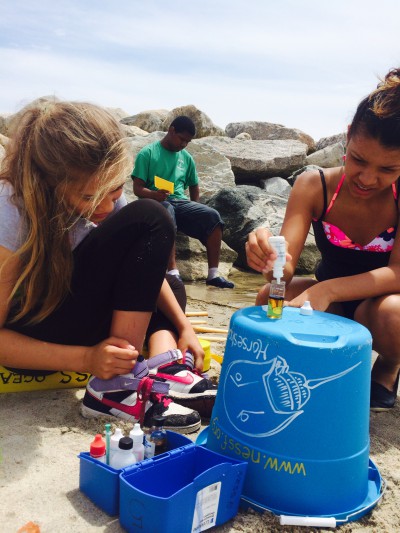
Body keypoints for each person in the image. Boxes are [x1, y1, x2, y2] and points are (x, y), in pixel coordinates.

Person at [0, 100, 216, 433]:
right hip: (34, 338)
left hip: (80, 317)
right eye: (89, 197)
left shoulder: (103, 190)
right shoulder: (11, 209)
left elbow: (143, 266)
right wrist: (86, 360)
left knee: (168, 284)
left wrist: (184, 326)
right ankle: (117, 387)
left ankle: (163, 370)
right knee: (152, 215)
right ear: (50, 184)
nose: (105, 206)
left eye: (115, 191)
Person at [246, 68, 400, 412]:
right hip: (332, 300)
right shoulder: (315, 186)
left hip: (382, 305)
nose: (368, 178)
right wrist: (271, 258)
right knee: (266, 299)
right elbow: (284, 272)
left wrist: (327, 290)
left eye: (388, 170)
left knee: (394, 317)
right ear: (348, 137)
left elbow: (398, 273)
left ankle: (389, 364)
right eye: (358, 160)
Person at [132, 115, 234, 288]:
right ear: (171, 130)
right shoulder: (148, 153)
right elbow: (137, 189)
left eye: (187, 142)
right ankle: (173, 272)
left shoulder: (186, 158)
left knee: (213, 216)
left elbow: (194, 185)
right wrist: (154, 195)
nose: (183, 144)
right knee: (167, 210)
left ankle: (213, 275)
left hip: (180, 202)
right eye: (182, 139)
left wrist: (195, 206)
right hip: (154, 204)